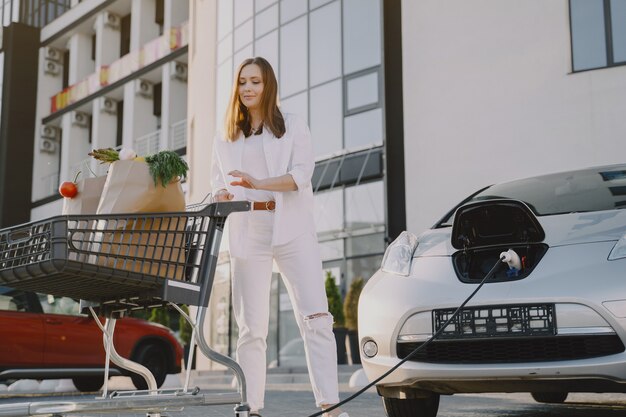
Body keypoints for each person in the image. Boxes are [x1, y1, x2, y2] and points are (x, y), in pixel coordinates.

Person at [211, 57, 348, 417]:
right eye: (242, 82)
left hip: (291, 228)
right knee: (251, 327)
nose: (248, 89)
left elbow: (301, 175)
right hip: (248, 231)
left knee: (316, 317)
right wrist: (221, 195)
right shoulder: (226, 137)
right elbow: (217, 184)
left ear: (267, 85)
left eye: (255, 81)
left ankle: (329, 405)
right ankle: (250, 407)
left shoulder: (292, 126)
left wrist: (259, 183)